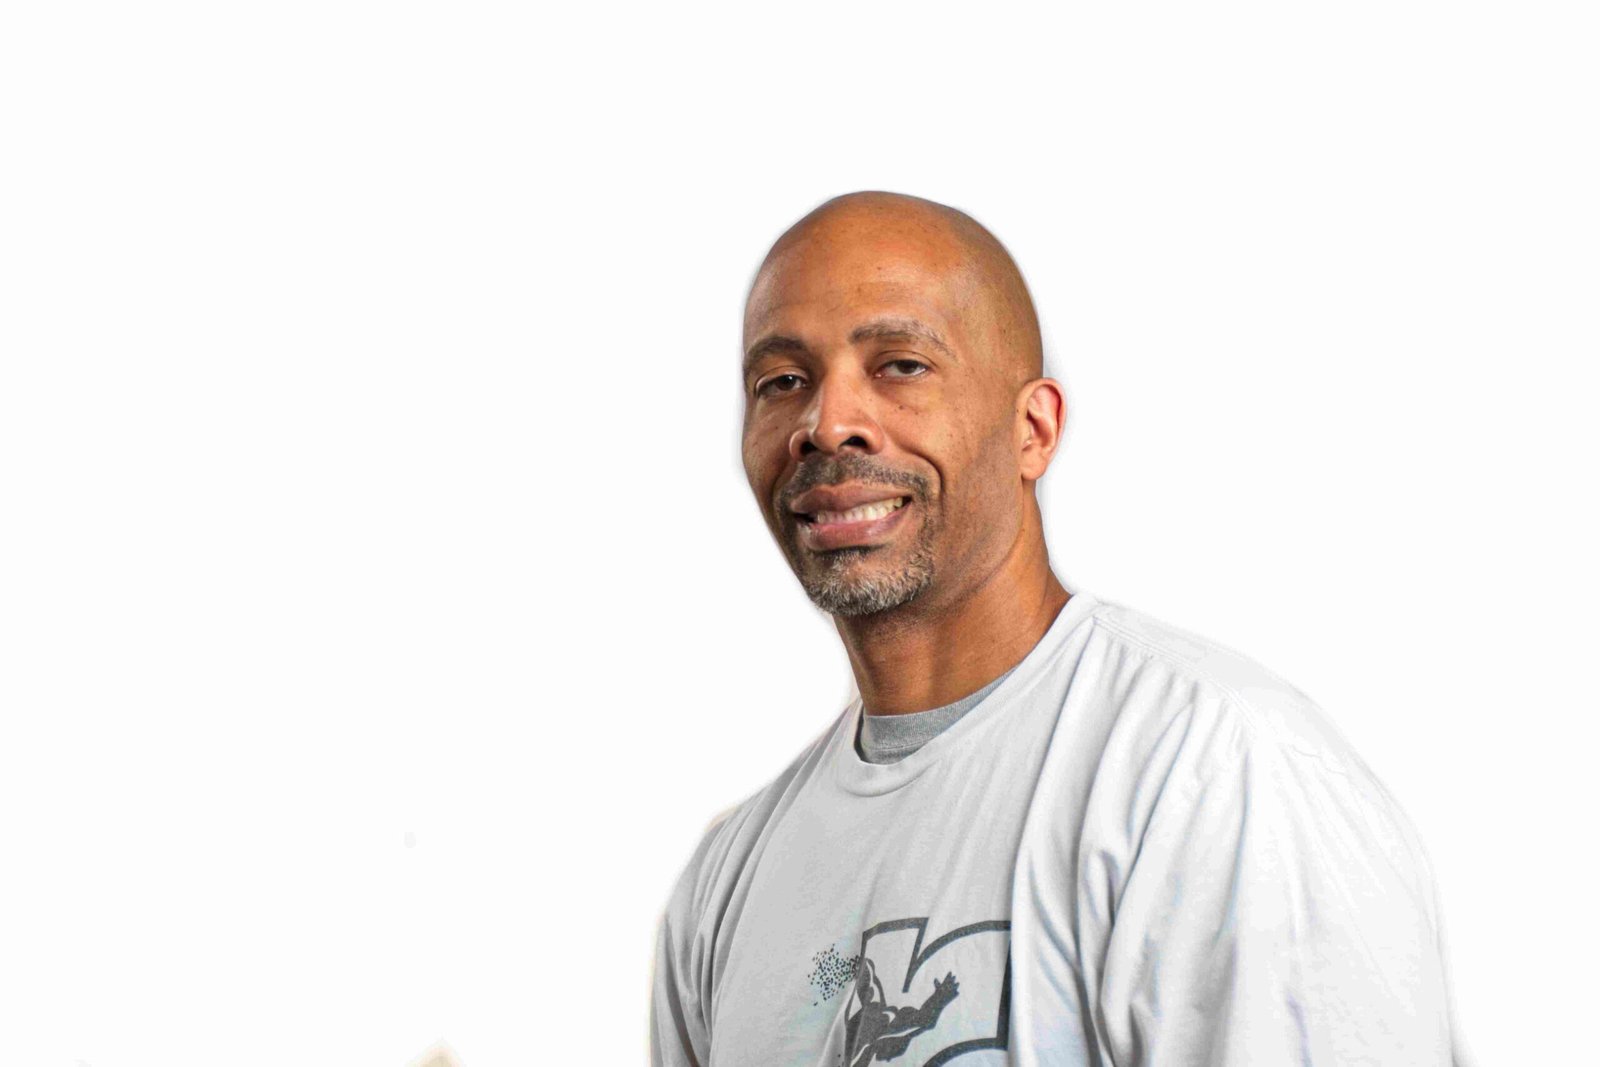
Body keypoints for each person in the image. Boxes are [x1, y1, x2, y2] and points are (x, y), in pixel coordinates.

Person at [649, 191, 1456, 1065]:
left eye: (901, 365)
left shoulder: (1213, 775)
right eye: (782, 381)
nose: (828, 422)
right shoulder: (726, 884)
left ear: (1032, 430)